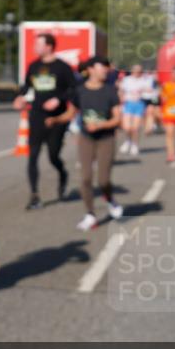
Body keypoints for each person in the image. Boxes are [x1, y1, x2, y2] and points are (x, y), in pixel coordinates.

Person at [13, 33, 76, 210]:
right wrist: (20, 97)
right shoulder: (34, 66)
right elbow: (27, 86)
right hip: (37, 115)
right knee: (33, 155)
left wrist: (59, 99)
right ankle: (34, 195)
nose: (35, 47)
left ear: (49, 46)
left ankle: (62, 173)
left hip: (57, 118)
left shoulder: (62, 67)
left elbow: (73, 89)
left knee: (53, 156)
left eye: (38, 44)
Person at [70, 56, 124, 231]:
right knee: (85, 177)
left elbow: (117, 119)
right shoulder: (80, 90)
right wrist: (57, 120)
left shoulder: (110, 91)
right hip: (86, 138)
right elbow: (73, 112)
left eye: (108, 67)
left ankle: (110, 199)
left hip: (105, 138)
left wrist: (100, 125)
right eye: (103, 66)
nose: (106, 70)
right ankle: (90, 214)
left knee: (103, 180)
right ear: (91, 69)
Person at [118, 63, 147, 156]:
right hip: (128, 104)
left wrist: (143, 92)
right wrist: (120, 99)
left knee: (135, 128)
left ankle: (135, 145)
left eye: (139, 71)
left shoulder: (144, 80)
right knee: (127, 127)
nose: (137, 73)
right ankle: (128, 141)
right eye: (135, 70)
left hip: (139, 104)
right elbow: (121, 91)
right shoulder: (127, 80)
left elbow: (149, 91)